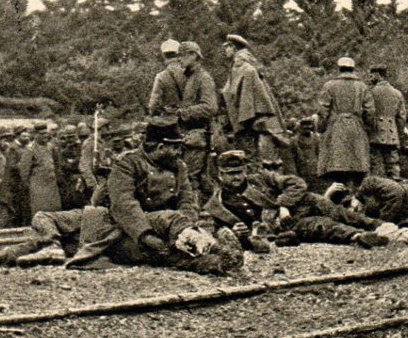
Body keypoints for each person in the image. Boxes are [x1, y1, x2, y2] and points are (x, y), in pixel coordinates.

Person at [66, 116, 243, 275]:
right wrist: (147, 236)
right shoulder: (127, 164)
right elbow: (124, 205)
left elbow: (187, 200)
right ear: (160, 147)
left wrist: (185, 225)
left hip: (174, 229)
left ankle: (219, 263)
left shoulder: (178, 166)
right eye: (175, 148)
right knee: (159, 248)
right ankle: (217, 248)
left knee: (173, 245)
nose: (179, 153)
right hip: (128, 231)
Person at [203, 150, 387, 250]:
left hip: (292, 209)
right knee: (319, 225)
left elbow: (297, 183)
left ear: (245, 171)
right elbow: (219, 232)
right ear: (220, 175)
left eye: (239, 172)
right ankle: (358, 236)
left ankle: (378, 226)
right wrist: (235, 231)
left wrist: (283, 204)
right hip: (282, 227)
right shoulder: (218, 204)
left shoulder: (260, 178)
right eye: (230, 174)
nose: (236, 177)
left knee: (322, 203)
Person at [220, 33, 287, 163]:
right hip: (247, 121)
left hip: (247, 122)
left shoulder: (244, 68)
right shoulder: (243, 66)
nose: (225, 50)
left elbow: (240, 95)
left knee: (249, 157)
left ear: (234, 48)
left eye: (227, 47)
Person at [316, 57, 374, 192]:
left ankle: (337, 199)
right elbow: (370, 112)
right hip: (356, 129)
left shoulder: (329, 86)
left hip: (335, 129)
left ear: (339, 68)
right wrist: (368, 129)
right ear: (353, 69)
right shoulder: (362, 86)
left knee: (336, 167)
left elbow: (322, 111)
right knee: (357, 168)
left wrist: (321, 128)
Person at [175, 41, 219, 200]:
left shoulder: (203, 78)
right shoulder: (189, 78)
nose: (179, 59)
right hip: (190, 137)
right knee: (200, 180)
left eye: (182, 56)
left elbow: (210, 108)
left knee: (189, 179)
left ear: (193, 55)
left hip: (198, 136)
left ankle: (193, 215)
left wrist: (182, 113)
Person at [18, 123, 63, 221]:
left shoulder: (51, 147)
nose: (45, 136)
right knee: (40, 213)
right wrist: (29, 186)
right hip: (38, 187)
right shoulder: (30, 149)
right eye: (42, 134)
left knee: (54, 212)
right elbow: (24, 171)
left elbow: (57, 164)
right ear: (35, 135)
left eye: (46, 133)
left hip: (52, 186)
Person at [368, 64, 406, 180]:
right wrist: (399, 135)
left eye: (371, 75)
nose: (370, 78)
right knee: (393, 167)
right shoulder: (397, 93)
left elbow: (366, 114)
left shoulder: (370, 92)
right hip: (392, 134)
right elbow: (402, 118)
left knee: (374, 166)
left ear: (378, 75)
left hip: (374, 134)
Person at [147, 39, 185, 117]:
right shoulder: (191, 73)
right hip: (192, 120)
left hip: (172, 121)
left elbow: (153, 105)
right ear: (178, 54)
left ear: (164, 56)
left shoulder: (161, 77)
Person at [291, 117, 321, 193]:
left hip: (315, 170)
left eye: (309, 124)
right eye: (304, 124)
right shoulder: (294, 140)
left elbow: (320, 154)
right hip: (301, 171)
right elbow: (293, 158)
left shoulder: (316, 138)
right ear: (300, 126)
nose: (307, 127)